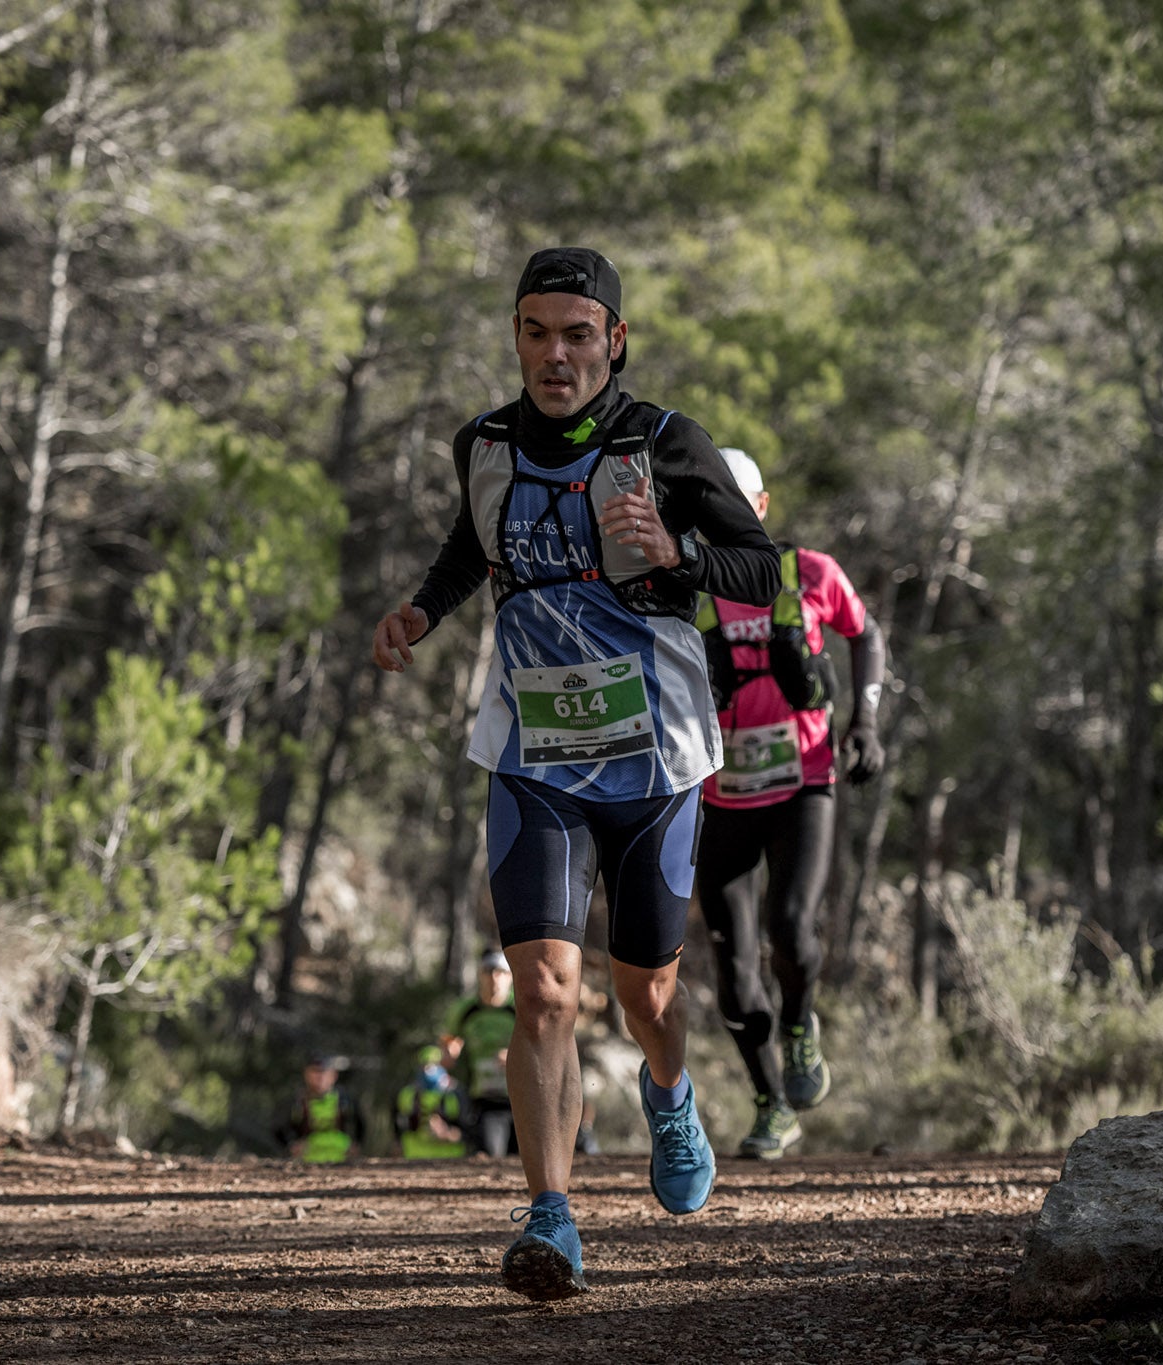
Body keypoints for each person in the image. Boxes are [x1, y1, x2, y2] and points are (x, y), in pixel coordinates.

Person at [372, 246, 780, 1301]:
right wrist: (423, 609)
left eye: (576, 334)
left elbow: (758, 571)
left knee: (643, 994)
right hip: (532, 757)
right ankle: (550, 1218)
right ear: (515, 337)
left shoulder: (664, 444)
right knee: (544, 994)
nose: (554, 355)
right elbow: (473, 546)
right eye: (534, 333)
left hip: (653, 761)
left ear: (614, 340)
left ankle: (669, 1088)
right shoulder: (485, 442)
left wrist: (677, 559)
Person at [694, 446, 887, 1159]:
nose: (725, 512)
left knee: (792, 925)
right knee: (734, 968)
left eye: (737, 499)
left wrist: (864, 722)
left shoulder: (809, 573)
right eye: (711, 500)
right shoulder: (688, 589)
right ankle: (772, 1101)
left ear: (762, 505)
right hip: (724, 795)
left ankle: (801, 1019)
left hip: (805, 778)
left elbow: (865, 633)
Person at [441, 949, 519, 1157]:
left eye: (501, 972)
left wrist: (515, 1057)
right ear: (479, 974)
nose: (494, 979)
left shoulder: (520, 1007)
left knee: (521, 1162)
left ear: (511, 977)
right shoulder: (466, 1010)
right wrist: (449, 1052)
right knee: (488, 1157)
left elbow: (543, 1047)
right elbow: (449, 1042)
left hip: (522, 1099)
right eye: (488, 971)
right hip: (483, 1100)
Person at [278, 1053, 362, 1164]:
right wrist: (291, 1145)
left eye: (324, 1072)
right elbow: (279, 1128)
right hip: (307, 1159)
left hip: (341, 1159)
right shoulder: (296, 1101)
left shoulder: (345, 1100)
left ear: (334, 1075)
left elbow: (360, 1124)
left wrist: (356, 1145)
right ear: (306, 1074)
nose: (320, 1077)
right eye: (315, 1072)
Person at [394, 1045, 467, 1159]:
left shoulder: (455, 1093)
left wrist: (446, 1133)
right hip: (414, 1158)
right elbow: (399, 1127)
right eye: (424, 1065)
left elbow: (468, 1130)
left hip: (450, 1159)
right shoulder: (407, 1095)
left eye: (434, 1064)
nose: (428, 1069)